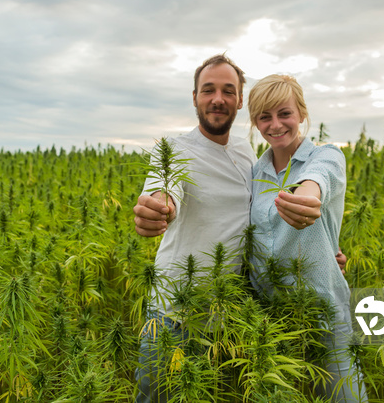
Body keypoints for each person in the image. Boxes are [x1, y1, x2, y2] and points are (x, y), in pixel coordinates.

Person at [132, 54, 347, 402]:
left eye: (228, 91)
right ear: (195, 97)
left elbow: (261, 222)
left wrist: (321, 251)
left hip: (227, 311)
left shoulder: (248, 153)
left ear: (238, 101)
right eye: (208, 90)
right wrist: (156, 207)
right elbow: (163, 188)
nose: (218, 98)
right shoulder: (174, 149)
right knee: (157, 396)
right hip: (175, 311)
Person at [248, 74, 367, 402]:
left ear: (301, 113)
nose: (275, 124)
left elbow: (319, 178)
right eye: (264, 116)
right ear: (255, 122)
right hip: (268, 314)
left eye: (284, 113)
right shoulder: (255, 173)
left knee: (345, 397)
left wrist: (307, 194)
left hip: (322, 311)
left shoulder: (326, 156)